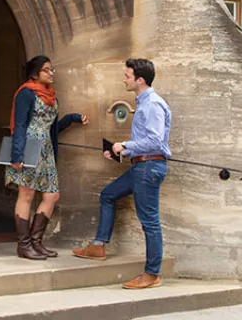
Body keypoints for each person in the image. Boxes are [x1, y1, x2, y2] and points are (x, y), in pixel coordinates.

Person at [72, 58, 171, 290]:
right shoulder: (144, 102)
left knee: (150, 222)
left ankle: (152, 274)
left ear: (140, 80)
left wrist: (124, 144)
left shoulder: (152, 104)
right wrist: (121, 151)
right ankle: (98, 246)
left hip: (148, 168)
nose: (123, 79)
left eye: (127, 76)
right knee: (108, 194)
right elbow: (145, 142)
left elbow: (155, 141)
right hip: (140, 166)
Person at [7, 55, 88, 260]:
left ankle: (36, 242)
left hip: (46, 150)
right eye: (46, 70)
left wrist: (71, 119)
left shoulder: (51, 95)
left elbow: (51, 128)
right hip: (28, 147)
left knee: (52, 195)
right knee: (26, 196)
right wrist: (17, 155)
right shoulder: (25, 93)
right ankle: (24, 245)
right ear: (35, 73)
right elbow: (20, 125)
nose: (51, 73)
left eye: (52, 69)